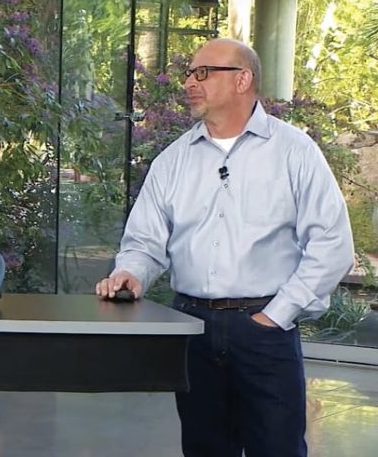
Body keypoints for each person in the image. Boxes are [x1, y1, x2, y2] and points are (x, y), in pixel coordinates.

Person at [96, 38, 354, 457]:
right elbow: (144, 242)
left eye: (203, 73)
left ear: (243, 79)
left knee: (278, 448)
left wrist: (277, 315)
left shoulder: (294, 151)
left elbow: (332, 243)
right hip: (193, 328)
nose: (189, 83)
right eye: (188, 74)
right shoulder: (173, 160)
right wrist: (132, 271)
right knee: (204, 449)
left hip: (265, 327)